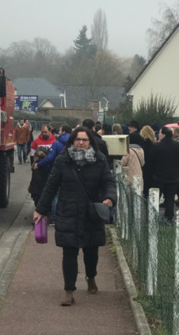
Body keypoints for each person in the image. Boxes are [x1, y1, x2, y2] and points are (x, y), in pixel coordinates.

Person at [34, 127, 116, 306]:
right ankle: (69, 290)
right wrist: (40, 209)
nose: (81, 142)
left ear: (90, 142)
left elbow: (109, 181)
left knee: (91, 251)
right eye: (77, 139)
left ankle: (91, 276)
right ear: (72, 141)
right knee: (69, 252)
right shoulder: (62, 161)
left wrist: (110, 197)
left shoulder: (99, 160)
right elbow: (51, 186)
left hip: (91, 214)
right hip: (68, 212)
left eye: (85, 140)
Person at [147, 127, 179, 223]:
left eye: (160, 133)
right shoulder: (177, 146)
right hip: (173, 177)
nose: (159, 135)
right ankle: (169, 218)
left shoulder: (156, 146)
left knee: (155, 197)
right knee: (170, 198)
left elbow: (151, 161)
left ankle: (153, 218)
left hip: (159, 177)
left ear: (164, 134)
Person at [28, 125, 56, 206]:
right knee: (37, 189)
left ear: (50, 131)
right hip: (39, 169)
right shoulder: (36, 141)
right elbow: (32, 155)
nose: (44, 134)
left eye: (45, 132)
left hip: (50, 169)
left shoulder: (54, 141)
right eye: (42, 132)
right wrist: (33, 166)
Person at [140, 125, 156, 197]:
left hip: (144, 168)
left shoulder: (142, 144)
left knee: (145, 189)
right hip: (152, 168)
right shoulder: (154, 144)